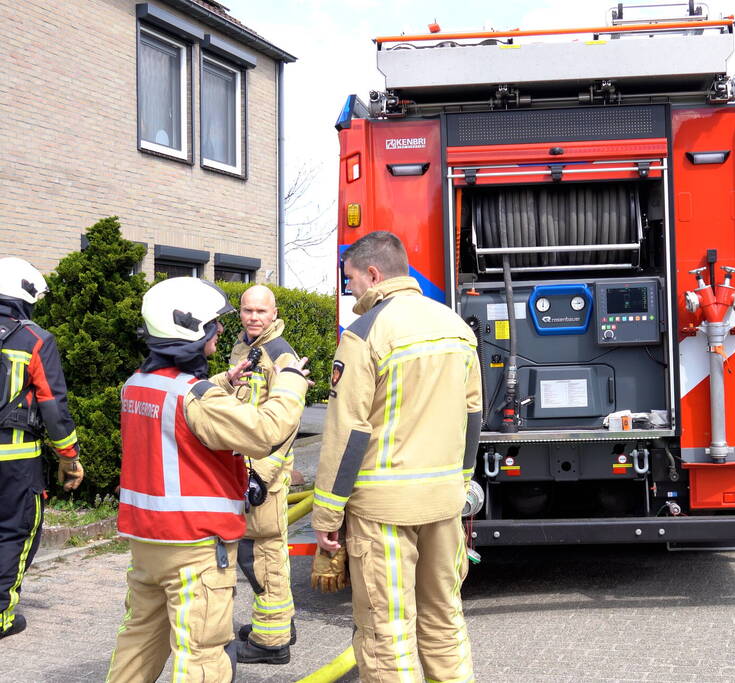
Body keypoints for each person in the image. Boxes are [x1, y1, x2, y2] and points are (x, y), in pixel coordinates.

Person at [106, 277, 310, 682]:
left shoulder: (138, 384)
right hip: (194, 549)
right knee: (201, 653)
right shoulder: (197, 399)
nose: (220, 329)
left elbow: (180, 400)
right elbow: (267, 431)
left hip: (147, 544)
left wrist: (221, 381)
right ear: (191, 331)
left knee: (139, 642)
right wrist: (291, 379)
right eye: (212, 324)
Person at [312, 231, 482, 682]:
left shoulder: (364, 334)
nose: (349, 292)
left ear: (373, 274)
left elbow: (347, 431)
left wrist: (327, 515)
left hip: (383, 509)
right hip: (444, 502)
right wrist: (460, 484)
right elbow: (472, 419)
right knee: (445, 618)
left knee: (387, 632)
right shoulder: (456, 327)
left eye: (350, 281)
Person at [0, 256, 83, 640]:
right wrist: (69, 457)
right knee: (15, 531)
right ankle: (1, 614)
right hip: (15, 461)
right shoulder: (34, 339)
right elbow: (53, 406)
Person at [224, 284, 301, 665]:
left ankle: (271, 642)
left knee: (262, 555)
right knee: (261, 553)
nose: (253, 317)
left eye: (261, 312)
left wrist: (260, 474)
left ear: (274, 314)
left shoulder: (278, 354)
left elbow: (286, 423)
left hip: (262, 476)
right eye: (247, 310)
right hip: (247, 468)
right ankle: (279, 622)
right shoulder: (245, 348)